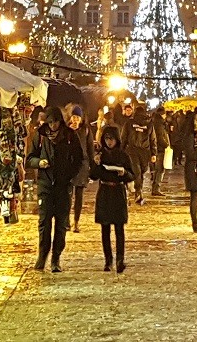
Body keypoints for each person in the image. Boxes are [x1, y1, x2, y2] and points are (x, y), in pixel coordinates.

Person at [29, 112, 83, 271]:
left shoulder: (70, 136)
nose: (52, 126)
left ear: (60, 122)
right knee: (44, 223)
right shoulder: (39, 136)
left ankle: (56, 258)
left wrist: (69, 175)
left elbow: (78, 158)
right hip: (45, 185)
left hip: (63, 186)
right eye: (50, 122)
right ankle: (42, 255)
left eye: (55, 122)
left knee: (61, 224)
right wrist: (39, 162)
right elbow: (30, 158)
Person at [89, 126, 133, 272]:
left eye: (111, 139)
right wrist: (95, 164)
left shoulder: (123, 155)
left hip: (118, 191)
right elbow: (93, 176)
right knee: (105, 228)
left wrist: (124, 172)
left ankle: (120, 259)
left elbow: (132, 175)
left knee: (119, 228)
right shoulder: (100, 155)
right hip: (105, 192)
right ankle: (108, 260)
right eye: (106, 139)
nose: (109, 142)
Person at [119, 99, 153, 204]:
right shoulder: (146, 123)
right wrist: (153, 153)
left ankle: (137, 190)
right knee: (139, 171)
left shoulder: (132, 123)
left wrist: (121, 149)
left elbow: (123, 137)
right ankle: (138, 192)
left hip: (135, 150)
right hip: (140, 151)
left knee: (139, 172)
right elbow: (153, 139)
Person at [65, 104, 93, 233]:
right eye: (74, 117)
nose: (76, 120)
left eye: (78, 117)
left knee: (79, 195)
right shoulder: (65, 129)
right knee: (67, 195)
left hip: (82, 165)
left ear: (82, 119)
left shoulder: (86, 130)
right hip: (69, 165)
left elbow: (90, 149)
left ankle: (76, 221)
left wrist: (92, 167)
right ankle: (66, 221)